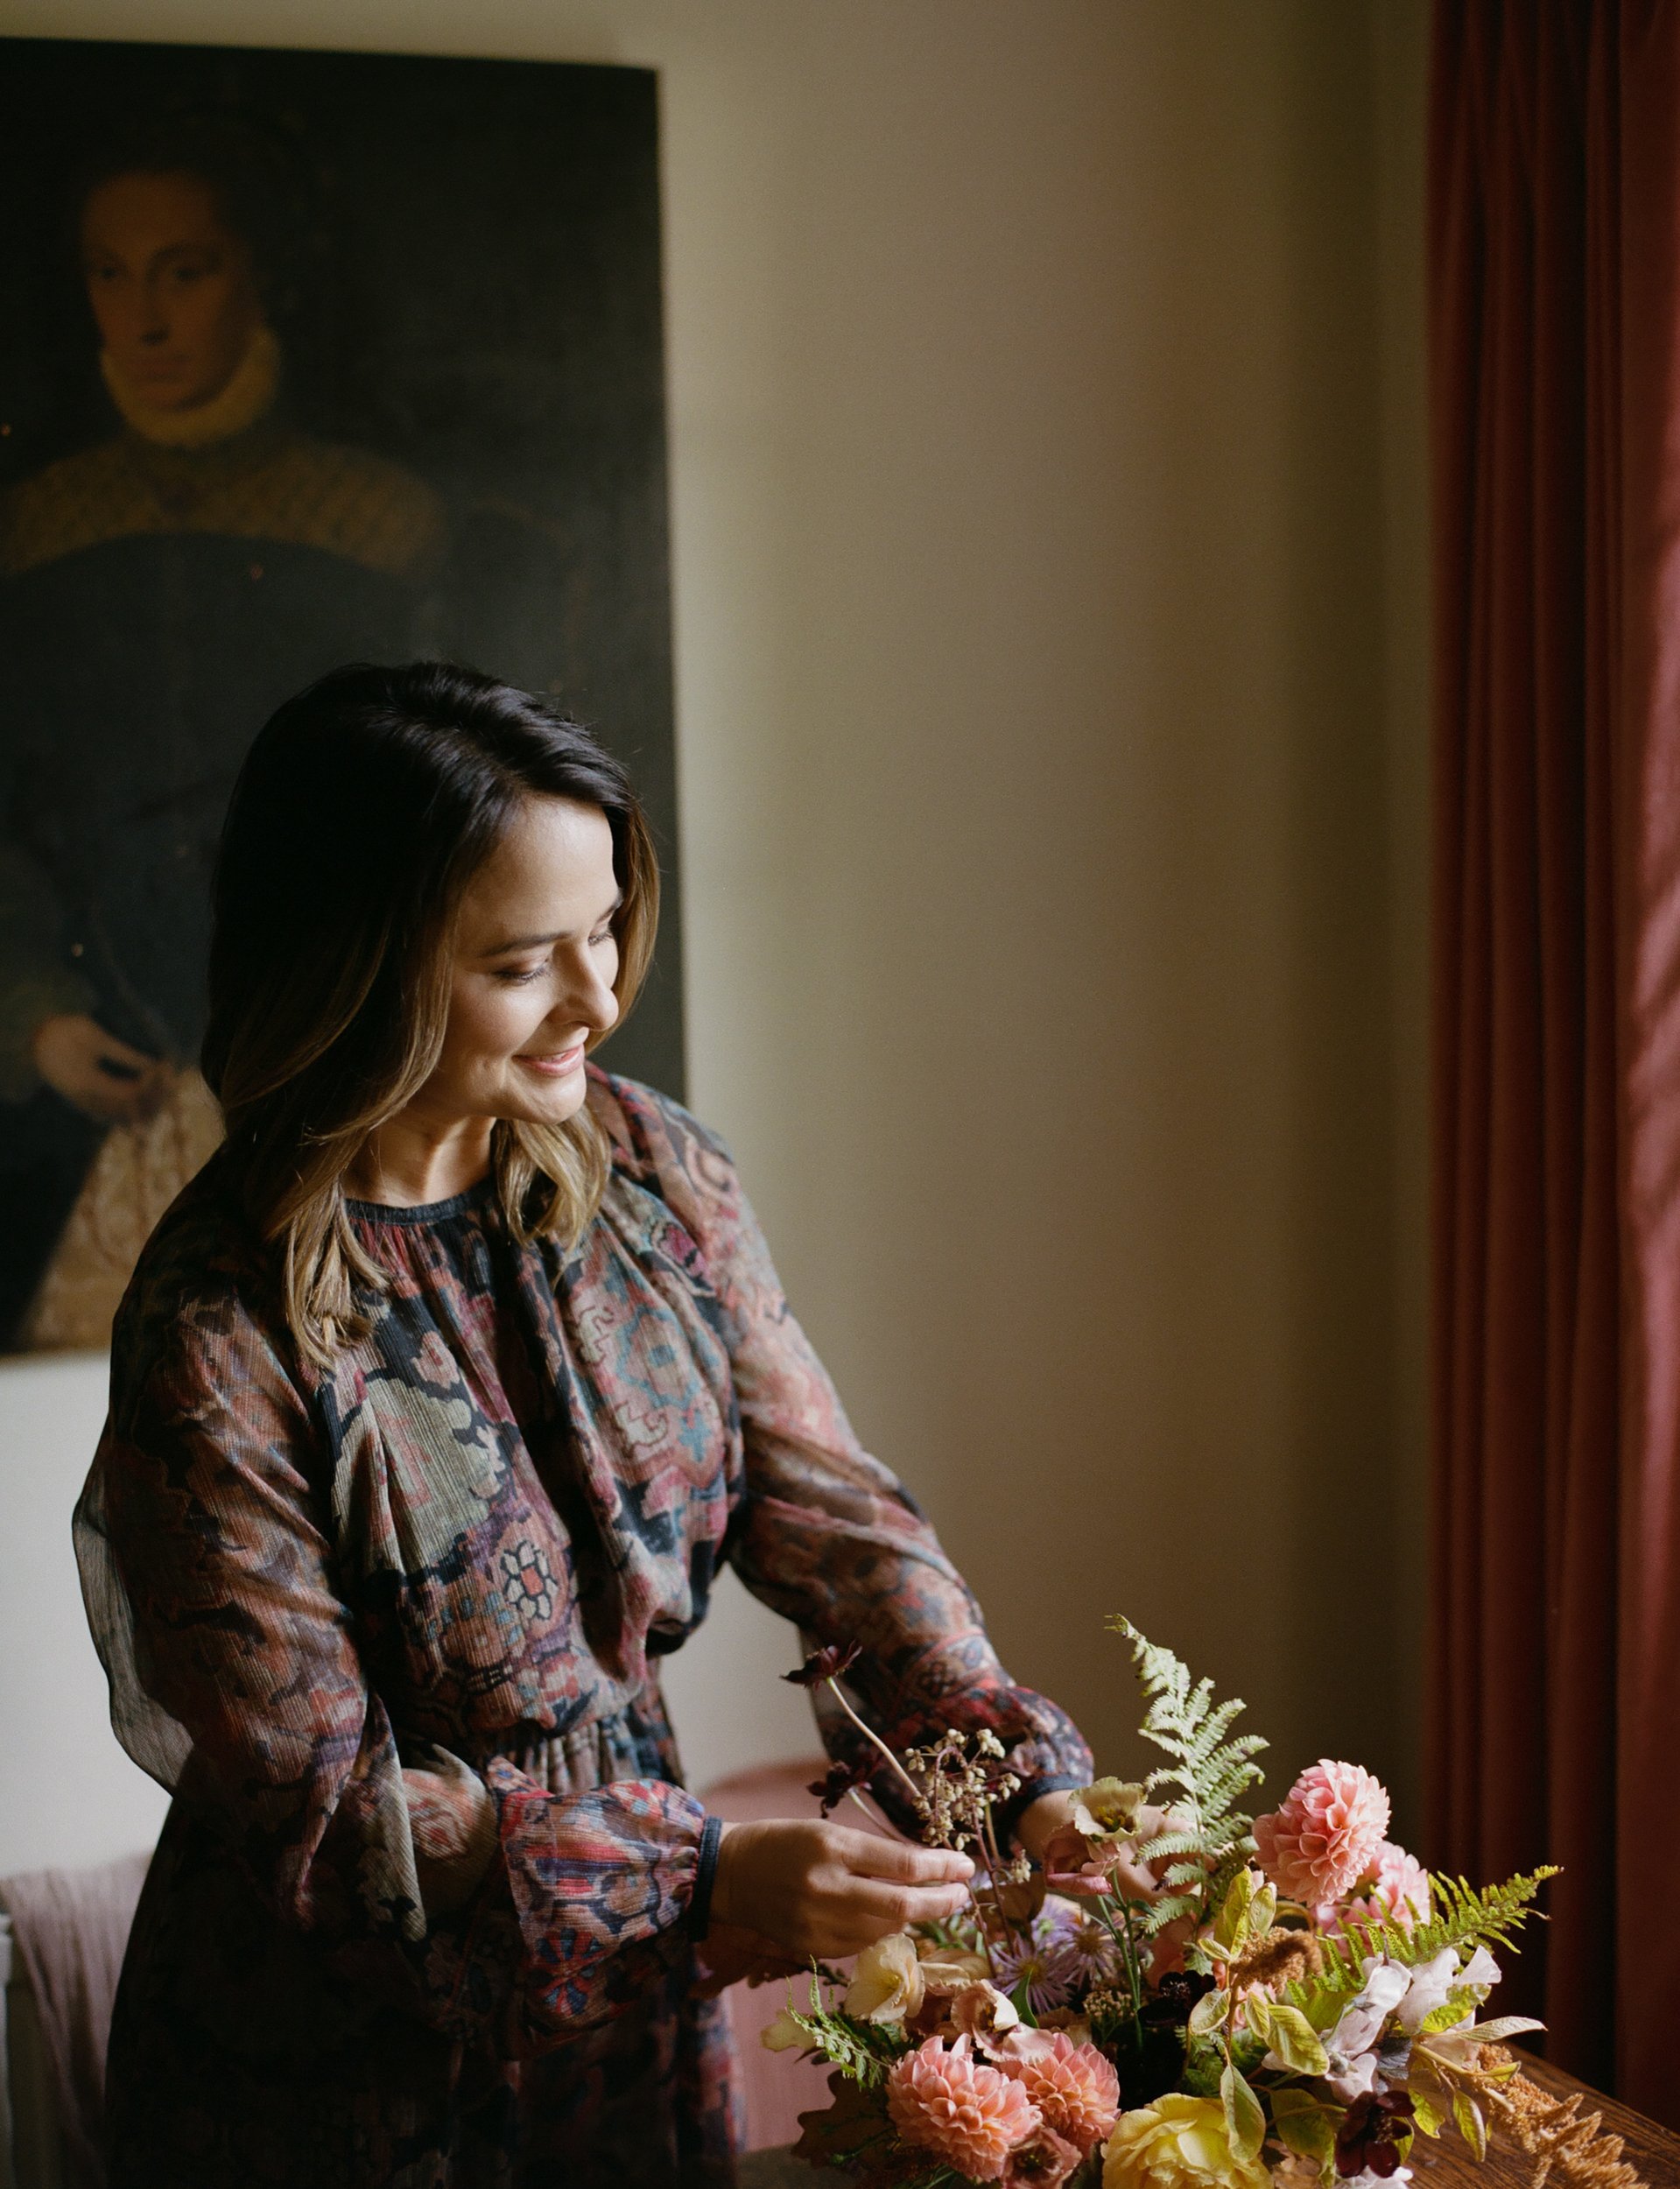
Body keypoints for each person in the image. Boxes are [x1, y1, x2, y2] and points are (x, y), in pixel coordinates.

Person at [74, 661, 1093, 2187]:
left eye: (608, 925)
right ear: (359, 967)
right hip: (333, 2066)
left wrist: (1023, 1779)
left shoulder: (653, 1172)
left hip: (624, 2018)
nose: (602, 999)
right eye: (521, 963)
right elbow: (327, 1823)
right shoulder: (217, 1333)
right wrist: (703, 1870)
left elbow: (833, 1515)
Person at [0, 112, 445, 1348]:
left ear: (256, 277)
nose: (143, 318)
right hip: (90, 1076)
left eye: (183, 272)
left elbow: (433, 827)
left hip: (338, 1081)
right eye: (110, 273)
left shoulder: (383, 527)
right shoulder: (34, 531)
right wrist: (32, 1016)